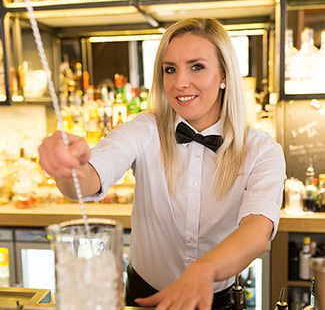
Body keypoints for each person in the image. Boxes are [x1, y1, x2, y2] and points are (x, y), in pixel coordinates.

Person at [38, 17, 286, 310]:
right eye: (170, 69)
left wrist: (203, 270)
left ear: (225, 75)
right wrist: (69, 166)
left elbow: (257, 230)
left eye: (197, 66)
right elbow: (88, 178)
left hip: (217, 301)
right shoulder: (145, 129)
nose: (180, 82)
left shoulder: (262, 150)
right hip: (142, 299)